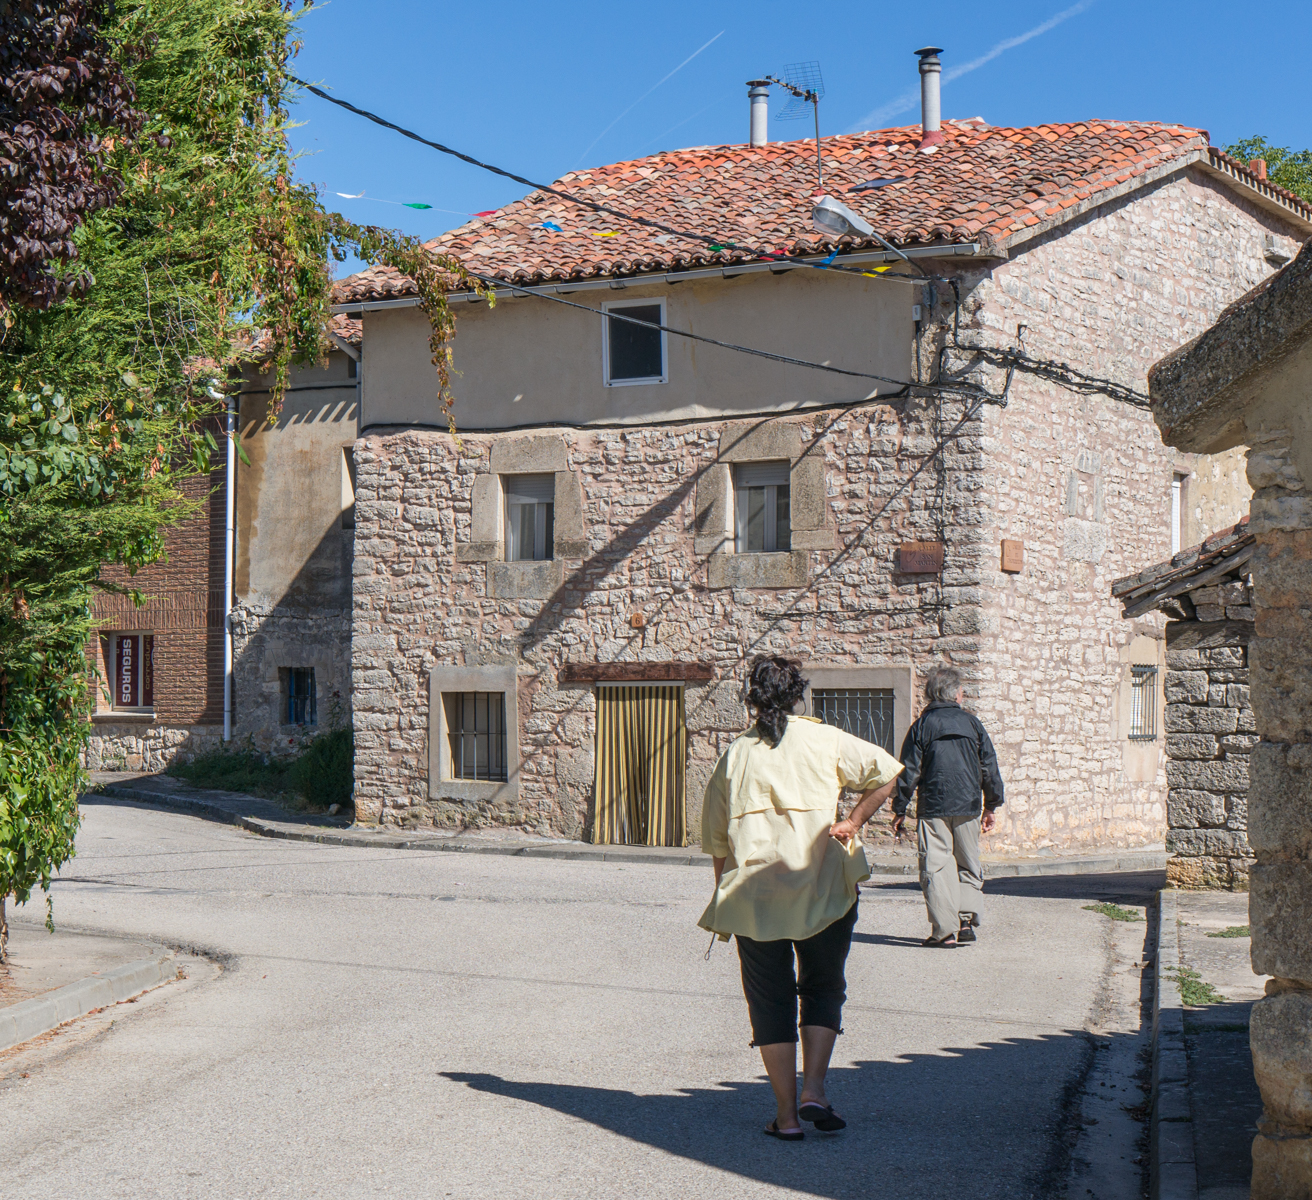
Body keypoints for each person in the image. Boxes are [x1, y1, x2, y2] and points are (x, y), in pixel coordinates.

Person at [699, 656, 903, 1141]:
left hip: (756, 898)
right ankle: (814, 1088)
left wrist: (722, 891)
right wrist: (852, 822)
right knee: (823, 988)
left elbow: (717, 843)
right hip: (824, 889)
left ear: (751, 698)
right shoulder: (825, 739)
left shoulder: (735, 755)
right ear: (797, 695)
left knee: (769, 1002)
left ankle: (787, 1117)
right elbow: (889, 772)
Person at [892, 666, 1005, 948]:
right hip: (967, 804)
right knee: (968, 863)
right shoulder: (973, 724)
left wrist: (900, 807)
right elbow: (988, 767)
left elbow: (909, 771)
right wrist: (991, 805)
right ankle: (965, 920)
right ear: (956, 694)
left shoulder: (921, 726)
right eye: (961, 690)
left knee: (937, 867)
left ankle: (944, 933)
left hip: (934, 805)